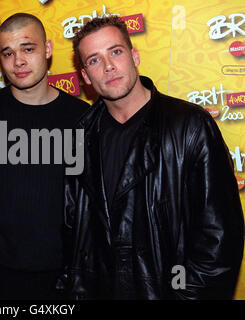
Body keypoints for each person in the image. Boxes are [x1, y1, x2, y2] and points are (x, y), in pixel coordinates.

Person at [64, 15, 245, 300]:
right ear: (85, 76)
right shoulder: (79, 137)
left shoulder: (190, 125)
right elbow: (74, 231)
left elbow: (219, 237)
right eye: (94, 60)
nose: (109, 66)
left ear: (134, 56)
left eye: (116, 51)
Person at [0, 13, 89, 300]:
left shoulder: (80, 118)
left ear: (48, 50)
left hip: (61, 282)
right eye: (8, 53)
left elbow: (91, 204)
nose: (18, 62)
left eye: (28, 49)